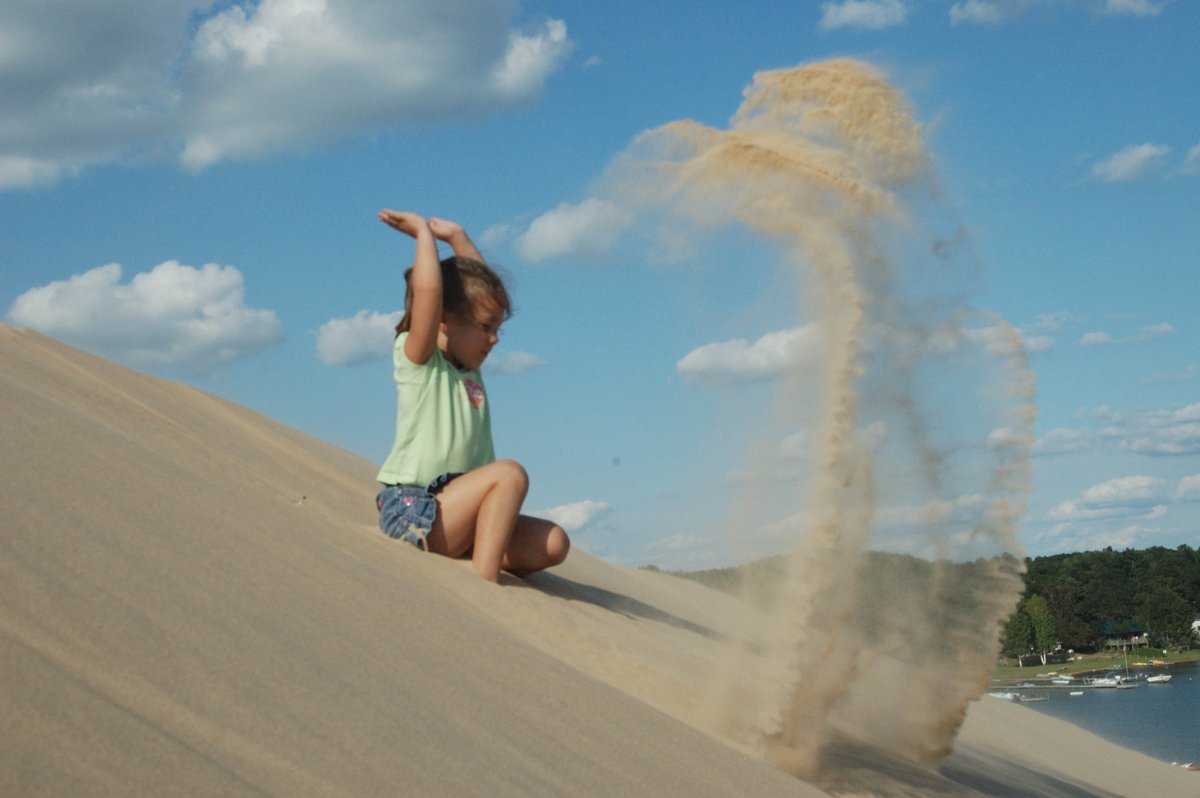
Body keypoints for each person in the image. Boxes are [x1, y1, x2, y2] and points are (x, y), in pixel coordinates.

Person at [374, 210, 569, 582]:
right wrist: (422, 236)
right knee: (509, 474)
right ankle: (485, 584)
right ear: (444, 320)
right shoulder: (419, 361)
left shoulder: (469, 370)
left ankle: (482, 554)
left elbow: (485, 292)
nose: (494, 339)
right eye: (485, 328)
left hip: (464, 512)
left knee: (555, 543)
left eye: (497, 329)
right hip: (418, 511)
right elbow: (430, 292)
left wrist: (458, 238)